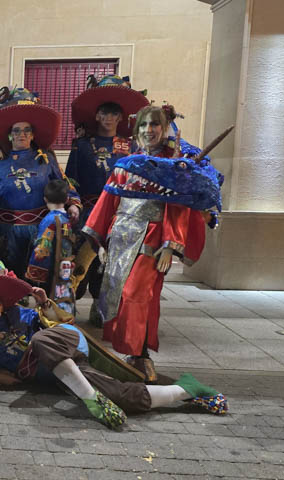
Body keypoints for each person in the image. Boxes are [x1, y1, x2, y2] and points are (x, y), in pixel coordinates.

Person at [0, 256, 228, 430]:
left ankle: (90, 400)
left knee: (40, 339)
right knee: (121, 396)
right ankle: (188, 389)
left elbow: (61, 322)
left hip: (67, 343)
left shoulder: (20, 312)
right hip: (62, 370)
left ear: (2, 301)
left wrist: (45, 304)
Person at [81, 104, 202, 381]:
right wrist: (101, 240)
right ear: (137, 131)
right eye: (144, 125)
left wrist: (170, 244)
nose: (149, 130)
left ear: (164, 128)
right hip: (120, 236)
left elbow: (178, 207)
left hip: (151, 238)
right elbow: (109, 200)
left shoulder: (173, 165)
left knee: (138, 295)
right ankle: (129, 353)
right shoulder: (127, 163)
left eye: (155, 124)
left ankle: (141, 354)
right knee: (117, 294)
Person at [66, 76, 148, 325]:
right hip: (88, 213)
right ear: (97, 116)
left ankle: (100, 308)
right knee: (80, 261)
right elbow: (71, 179)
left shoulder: (131, 147)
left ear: (121, 117)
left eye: (113, 114)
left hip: (117, 213)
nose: (108, 118)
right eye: (104, 113)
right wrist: (73, 205)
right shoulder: (81, 145)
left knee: (111, 262)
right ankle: (69, 304)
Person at [0, 88, 81, 279]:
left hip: (41, 230)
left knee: (38, 278)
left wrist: (73, 204)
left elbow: (63, 184)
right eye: (16, 130)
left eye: (27, 130)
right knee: (10, 278)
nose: (22, 134)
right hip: (6, 233)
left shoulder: (46, 160)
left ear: (33, 135)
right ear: (10, 135)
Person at [24, 179, 77, 315]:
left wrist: (34, 272)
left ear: (45, 199)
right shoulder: (67, 219)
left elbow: (43, 248)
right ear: (67, 199)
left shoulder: (49, 220)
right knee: (64, 294)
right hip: (66, 266)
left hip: (51, 269)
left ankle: (48, 321)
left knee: (48, 300)